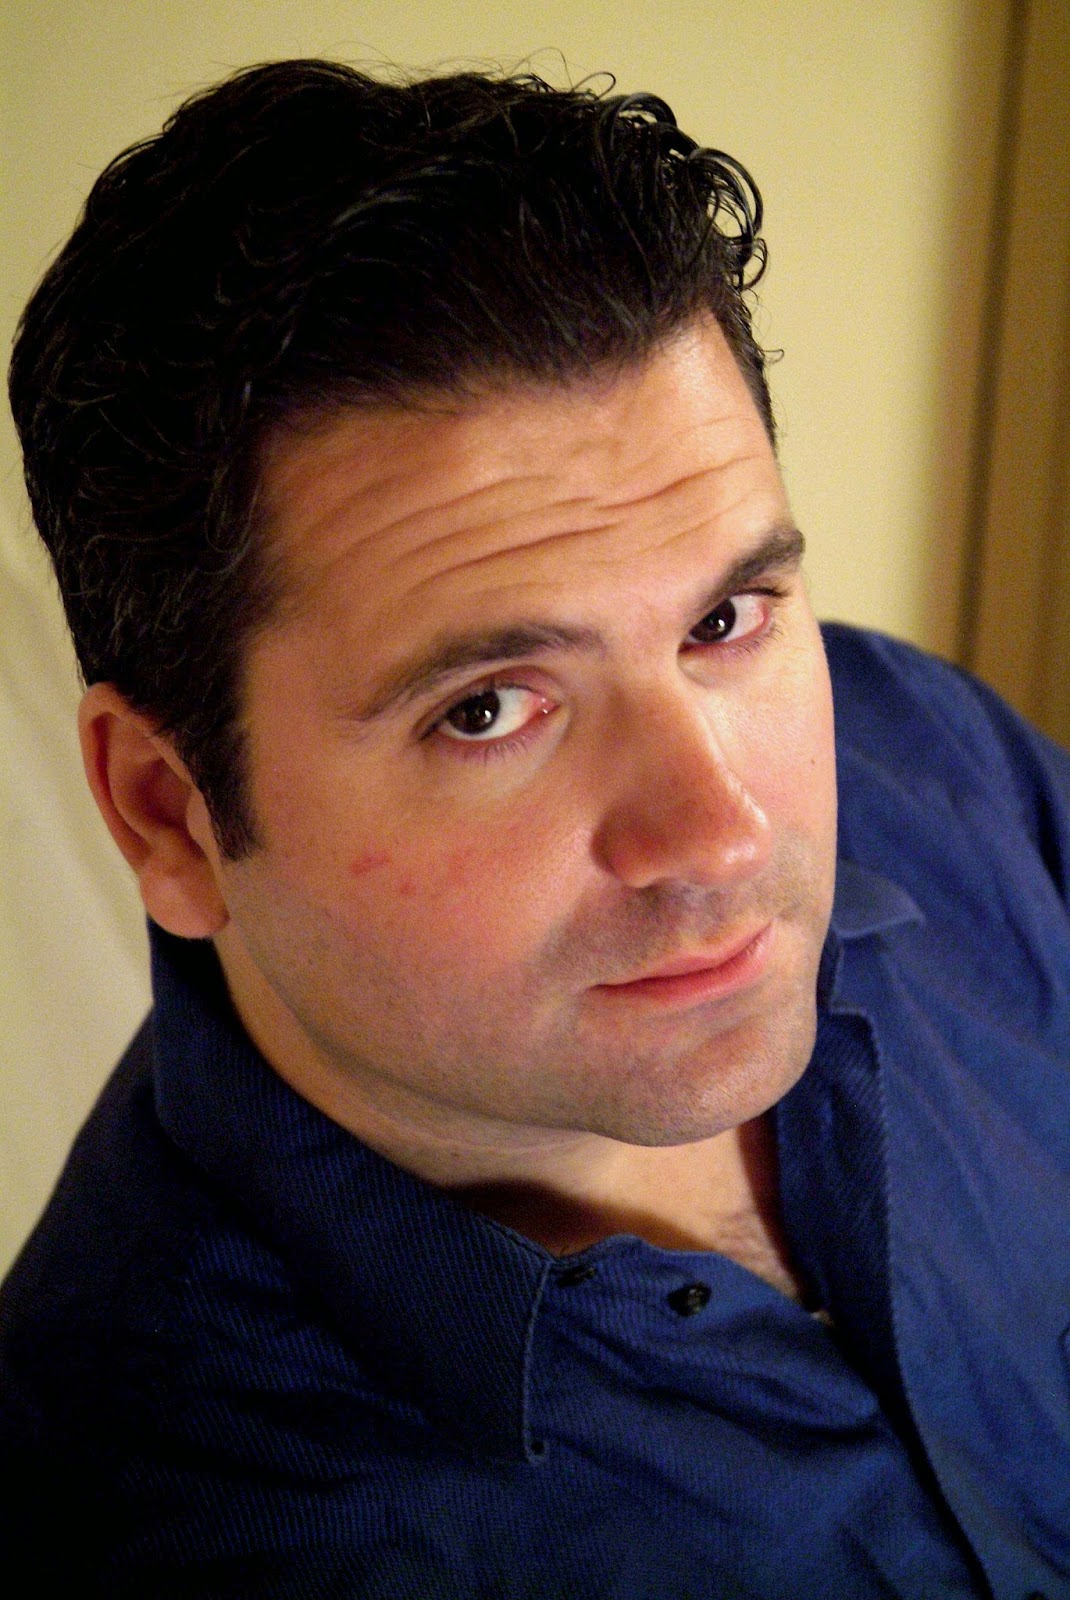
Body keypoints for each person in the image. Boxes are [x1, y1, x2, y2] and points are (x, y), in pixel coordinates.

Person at [1, 58, 1068, 1600]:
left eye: (721, 620)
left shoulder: (921, 747)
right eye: (490, 709)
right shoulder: (157, 1527)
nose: (719, 835)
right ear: (168, 812)